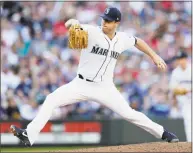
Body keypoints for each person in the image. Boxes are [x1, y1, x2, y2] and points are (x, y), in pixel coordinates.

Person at [10, 7, 179, 147]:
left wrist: (154, 56)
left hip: (105, 87)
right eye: (103, 19)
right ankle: (29, 135)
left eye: (108, 21)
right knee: (51, 99)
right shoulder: (92, 31)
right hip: (80, 84)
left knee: (129, 113)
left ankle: (163, 133)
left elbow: (137, 41)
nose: (103, 23)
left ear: (116, 23)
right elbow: (73, 23)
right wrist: (72, 24)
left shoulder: (121, 39)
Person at [169, 51, 191, 142]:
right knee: (188, 120)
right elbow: (173, 89)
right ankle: (190, 142)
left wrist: (187, 90)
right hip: (184, 101)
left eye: (182, 59)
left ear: (186, 59)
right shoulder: (175, 72)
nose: (180, 61)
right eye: (179, 59)